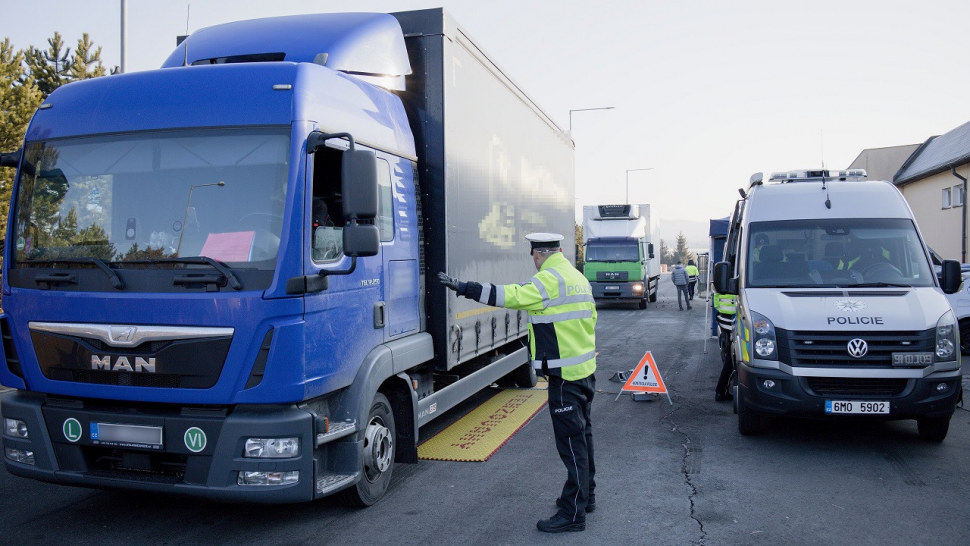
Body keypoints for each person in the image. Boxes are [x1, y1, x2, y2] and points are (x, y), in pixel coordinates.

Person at [438, 233, 596, 533]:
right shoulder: (576, 277)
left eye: (533, 257)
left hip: (565, 379)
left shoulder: (548, 280)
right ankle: (586, 497)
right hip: (586, 371)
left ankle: (573, 513)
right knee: (583, 436)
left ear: (537, 254)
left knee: (571, 445)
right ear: (559, 251)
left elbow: (507, 294)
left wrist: (464, 287)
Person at [712, 291, 737, 402]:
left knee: (731, 358)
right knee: (732, 359)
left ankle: (721, 391)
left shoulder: (720, 284)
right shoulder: (739, 280)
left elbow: (716, 303)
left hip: (724, 318)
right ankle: (721, 391)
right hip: (734, 320)